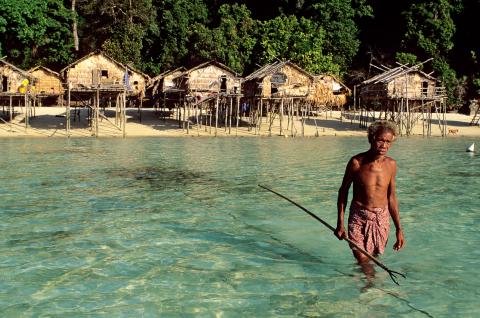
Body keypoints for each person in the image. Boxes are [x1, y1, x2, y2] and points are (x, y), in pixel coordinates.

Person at [335, 120, 405, 278]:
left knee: (373, 257)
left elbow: (392, 197)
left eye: (388, 142)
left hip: (382, 218)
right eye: (380, 140)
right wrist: (340, 222)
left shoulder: (391, 165)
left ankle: (365, 285)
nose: (384, 145)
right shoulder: (356, 163)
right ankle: (371, 289)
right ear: (372, 139)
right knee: (362, 259)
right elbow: (343, 192)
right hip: (358, 217)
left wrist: (399, 229)